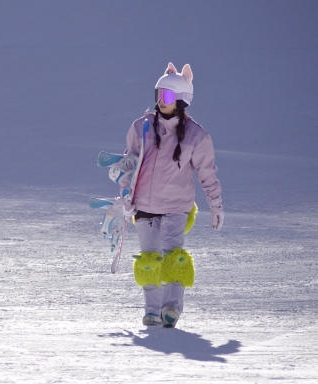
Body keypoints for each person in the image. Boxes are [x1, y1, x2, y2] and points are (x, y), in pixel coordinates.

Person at [121, 62, 223, 328]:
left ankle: (171, 308)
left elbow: (207, 173)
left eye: (166, 96)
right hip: (143, 205)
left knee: (173, 254)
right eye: (158, 95)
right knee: (148, 259)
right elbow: (129, 163)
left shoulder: (196, 136)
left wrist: (215, 205)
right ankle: (152, 311)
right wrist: (124, 192)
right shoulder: (142, 127)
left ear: (181, 100)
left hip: (176, 206)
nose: (161, 101)